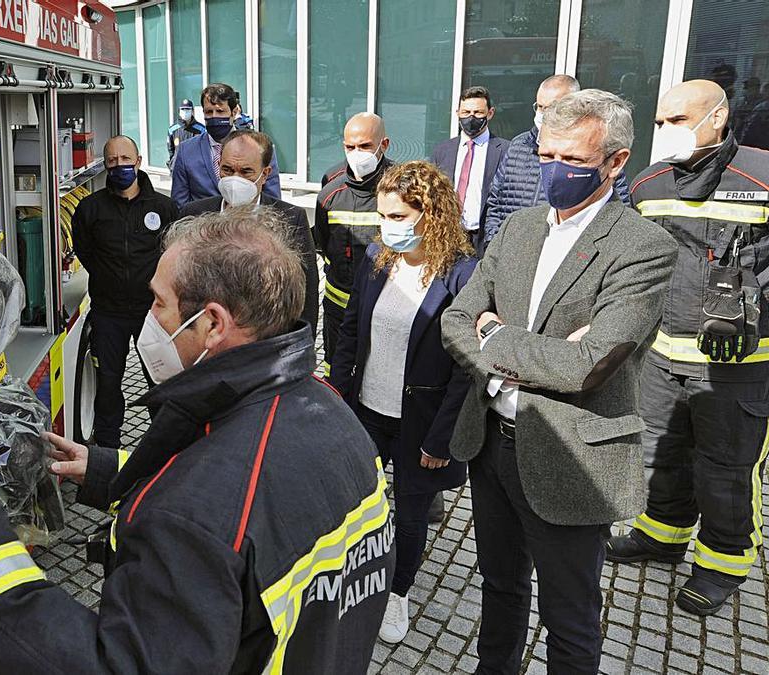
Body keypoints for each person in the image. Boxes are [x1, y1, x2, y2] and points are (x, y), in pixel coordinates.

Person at [0, 207, 395, 673]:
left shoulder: (195, 515)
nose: (151, 317)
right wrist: (112, 470)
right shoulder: (331, 412)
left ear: (212, 323)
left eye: (159, 302)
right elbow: (261, 498)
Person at [441, 89, 677, 673]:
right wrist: (519, 348)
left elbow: (588, 365)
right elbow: (454, 320)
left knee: (569, 615)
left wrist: (493, 333)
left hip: (571, 457)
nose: (554, 171)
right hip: (491, 443)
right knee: (500, 587)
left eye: (573, 161)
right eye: (546, 155)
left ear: (616, 162)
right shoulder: (519, 228)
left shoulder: (643, 247)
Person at [606, 79, 769, 616]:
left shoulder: (761, 179)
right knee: (658, 453)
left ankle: (722, 564)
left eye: (677, 120)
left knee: (725, 468)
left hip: (738, 367)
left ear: (716, 118)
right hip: (662, 356)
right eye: (660, 123)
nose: (666, 132)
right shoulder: (650, 185)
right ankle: (663, 535)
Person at [329, 160, 475, 644]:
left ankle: (398, 593)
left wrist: (443, 437)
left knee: (411, 515)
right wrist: (340, 391)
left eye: (398, 217)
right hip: (368, 411)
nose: (387, 227)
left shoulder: (461, 275)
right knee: (357, 502)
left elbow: (465, 369)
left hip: (420, 422)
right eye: (383, 216)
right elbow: (351, 330)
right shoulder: (377, 259)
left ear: (429, 214)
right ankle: (354, 573)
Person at [70, 135, 177, 449]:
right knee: (107, 384)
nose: (120, 166)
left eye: (125, 160)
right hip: (108, 314)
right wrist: (109, 277)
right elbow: (84, 251)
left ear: (139, 162)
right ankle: (106, 452)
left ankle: (165, 450)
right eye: (113, 161)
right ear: (105, 166)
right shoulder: (90, 209)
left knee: (160, 381)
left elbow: (175, 254)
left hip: (153, 314)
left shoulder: (165, 207)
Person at [179, 129, 320, 339]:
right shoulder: (193, 214)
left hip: (267, 344)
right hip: (208, 342)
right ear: (218, 167)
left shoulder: (291, 218)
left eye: (246, 172)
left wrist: (300, 345)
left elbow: (306, 292)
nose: (235, 179)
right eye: (227, 169)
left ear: (265, 174)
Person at [481, 75, 632, 248]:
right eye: (539, 107)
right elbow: (495, 202)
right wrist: (495, 244)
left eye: (552, 108)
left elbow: (617, 213)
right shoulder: (517, 147)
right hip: (512, 253)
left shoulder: (600, 158)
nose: (543, 114)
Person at [314, 113, 394, 375]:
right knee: (335, 365)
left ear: (384, 145)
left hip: (386, 303)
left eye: (365, 146)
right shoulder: (330, 192)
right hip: (339, 305)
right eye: (350, 147)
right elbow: (324, 245)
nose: (357, 153)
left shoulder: (401, 188)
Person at [170, 83, 282, 207]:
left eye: (220, 111)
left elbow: (272, 201)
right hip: (202, 225)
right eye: (208, 112)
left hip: (250, 223)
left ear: (234, 112)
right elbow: (179, 205)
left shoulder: (260, 147)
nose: (214, 116)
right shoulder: (186, 151)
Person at [430, 86, 510, 256]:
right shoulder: (442, 151)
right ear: (458, 112)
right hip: (448, 238)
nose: (471, 118)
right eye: (466, 112)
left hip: (484, 240)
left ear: (490, 113)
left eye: (478, 112)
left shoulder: (505, 150)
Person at [166, 98, 205, 167]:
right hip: (178, 167)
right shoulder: (172, 129)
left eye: (187, 109)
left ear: (192, 111)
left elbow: (205, 149)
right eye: (183, 109)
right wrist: (173, 163)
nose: (185, 112)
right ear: (179, 111)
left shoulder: (201, 129)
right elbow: (171, 149)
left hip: (195, 167)